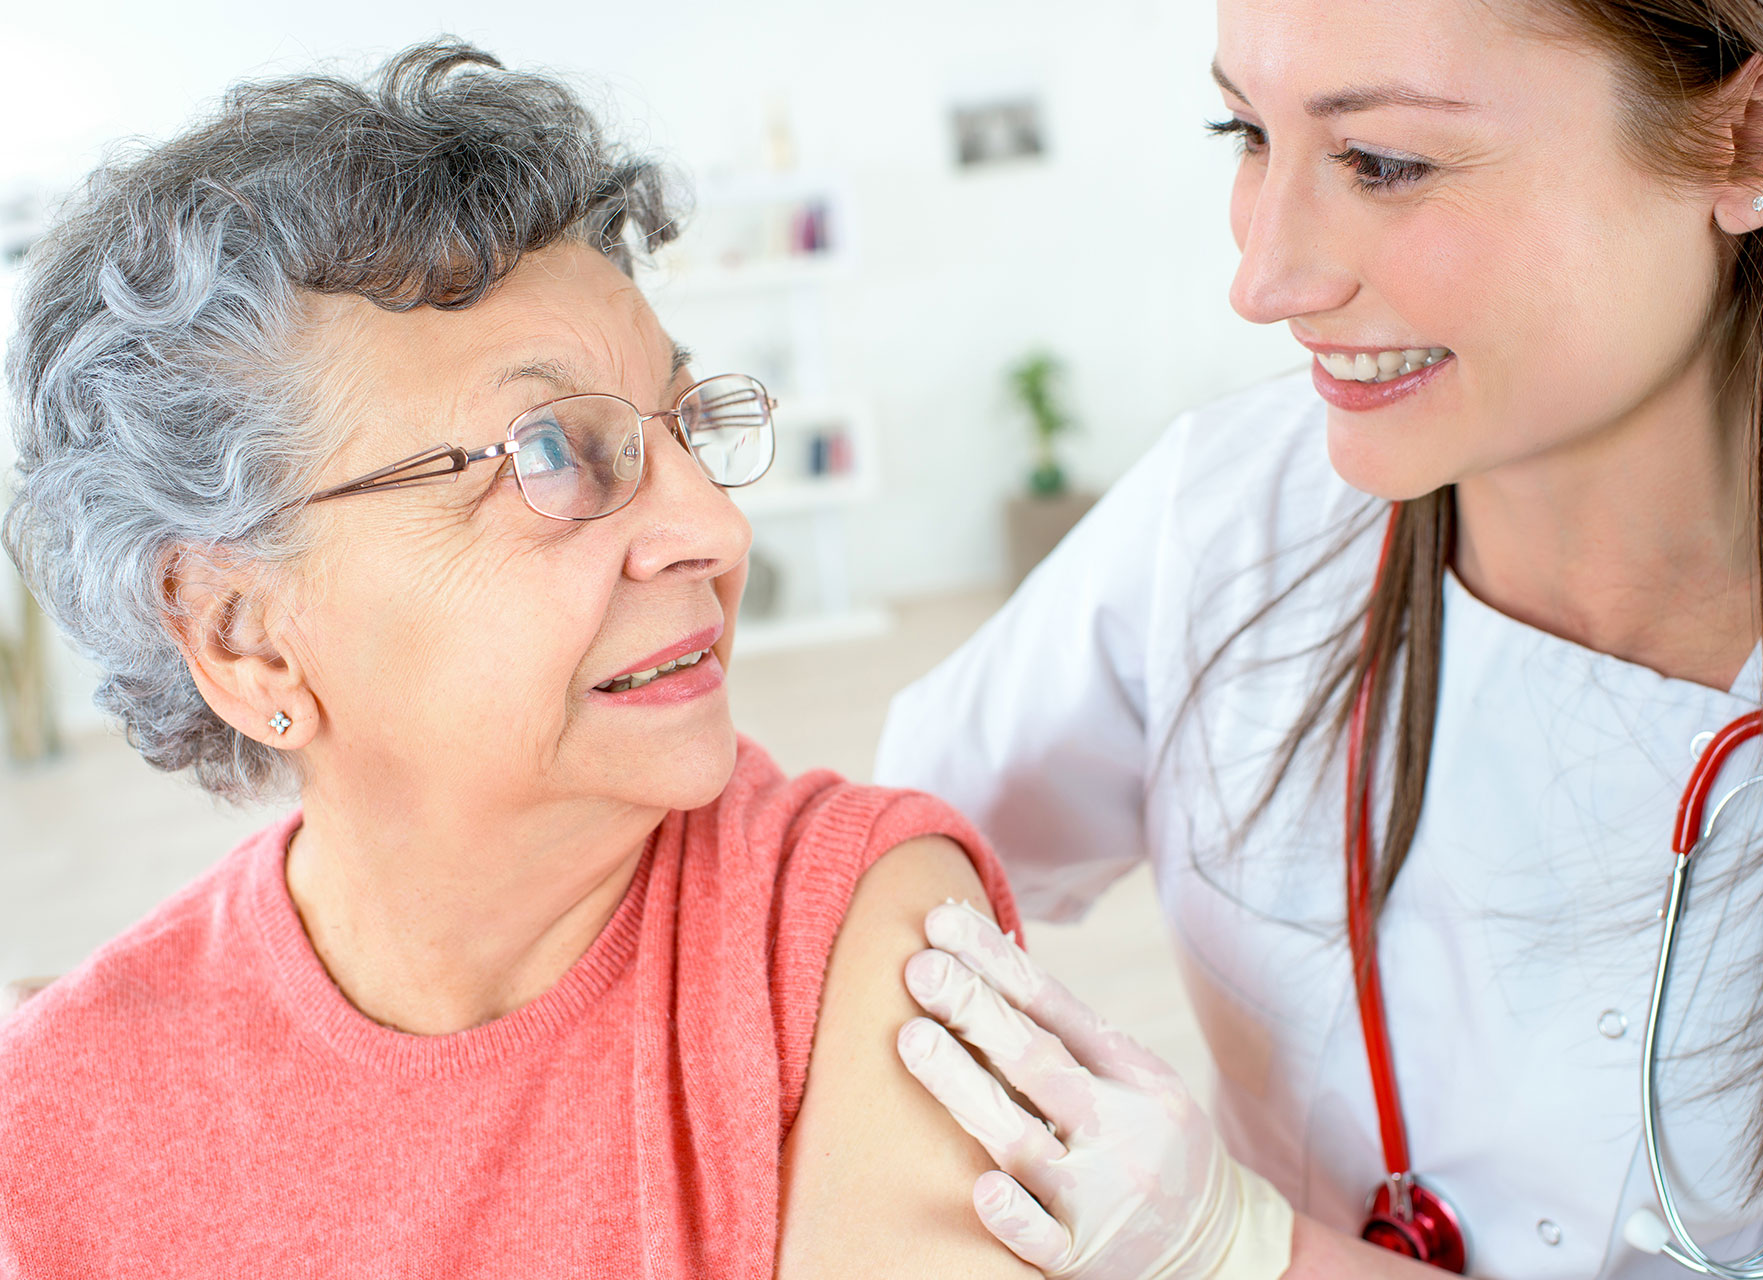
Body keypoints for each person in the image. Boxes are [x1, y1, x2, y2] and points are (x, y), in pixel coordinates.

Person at [876, 0, 1763, 1276]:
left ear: (1754, 142)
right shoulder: (1230, 516)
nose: (1264, 279)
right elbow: (886, 873)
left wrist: (1246, 1254)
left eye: (1385, 163)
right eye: (1245, 130)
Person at [0, 43, 1039, 1279]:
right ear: (244, 635)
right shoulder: (57, 1115)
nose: (716, 528)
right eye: (551, 454)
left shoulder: (849, 925)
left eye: (687, 425)